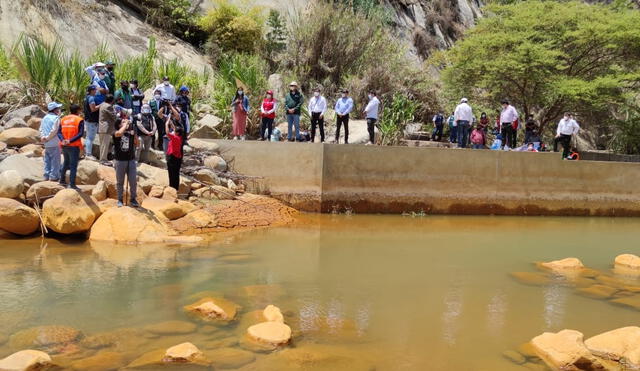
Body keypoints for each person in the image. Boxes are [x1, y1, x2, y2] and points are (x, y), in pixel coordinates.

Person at [113, 117, 139, 207]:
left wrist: (135, 134)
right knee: (120, 181)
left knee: (133, 181)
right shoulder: (115, 132)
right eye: (123, 122)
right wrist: (125, 124)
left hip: (131, 159)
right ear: (119, 125)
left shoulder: (130, 132)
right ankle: (120, 199)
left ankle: (133, 199)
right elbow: (120, 133)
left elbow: (137, 144)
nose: (126, 123)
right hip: (120, 161)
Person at [58, 104, 84, 189]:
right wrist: (70, 141)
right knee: (73, 165)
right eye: (80, 110)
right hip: (73, 145)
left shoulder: (63, 119)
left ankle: (62, 180)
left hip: (64, 145)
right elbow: (80, 134)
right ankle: (72, 184)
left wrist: (63, 140)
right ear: (77, 111)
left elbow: (59, 132)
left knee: (66, 162)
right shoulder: (79, 120)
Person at [39, 102, 63, 182]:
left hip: (46, 143)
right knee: (55, 161)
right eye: (58, 108)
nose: (59, 110)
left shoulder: (44, 118)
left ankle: (46, 175)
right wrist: (48, 137)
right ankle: (54, 177)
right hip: (54, 142)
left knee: (47, 159)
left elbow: (41, 129)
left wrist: (43, 137)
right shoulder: (56, 118)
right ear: (55, 110)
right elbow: (54, 130)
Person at [165, 117, 184, 191]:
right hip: (177, 158)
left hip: (172, 157)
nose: (173, 130)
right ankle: (175, 188)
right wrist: (170, 121)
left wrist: (166, 124)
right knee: (176, 173)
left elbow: (167, 133)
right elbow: (174, 129)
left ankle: (172, 188)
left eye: (175, 131)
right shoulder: (179, 137)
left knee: (172, 173)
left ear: (177, 133)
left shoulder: (175, 138)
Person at [98, 95, 117, 162]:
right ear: (112, 100)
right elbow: (114, 117)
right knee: (105, 145)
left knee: (102, 145)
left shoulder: (102, 105)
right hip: (106, 128)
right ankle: (103, 160)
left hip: (101, 127)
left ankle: (102, 159)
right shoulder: (108, 106)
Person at [83, 85, 100, 159]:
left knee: (88, 137)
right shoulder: (91, 98)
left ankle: (87, 152)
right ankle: (88, 154)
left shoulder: (86, 97)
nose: (96, 91)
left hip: (88, 120)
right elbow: (93, 109)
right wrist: (101, 105)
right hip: (92, 120)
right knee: (90, 138)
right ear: (91, 91)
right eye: (94, 90)